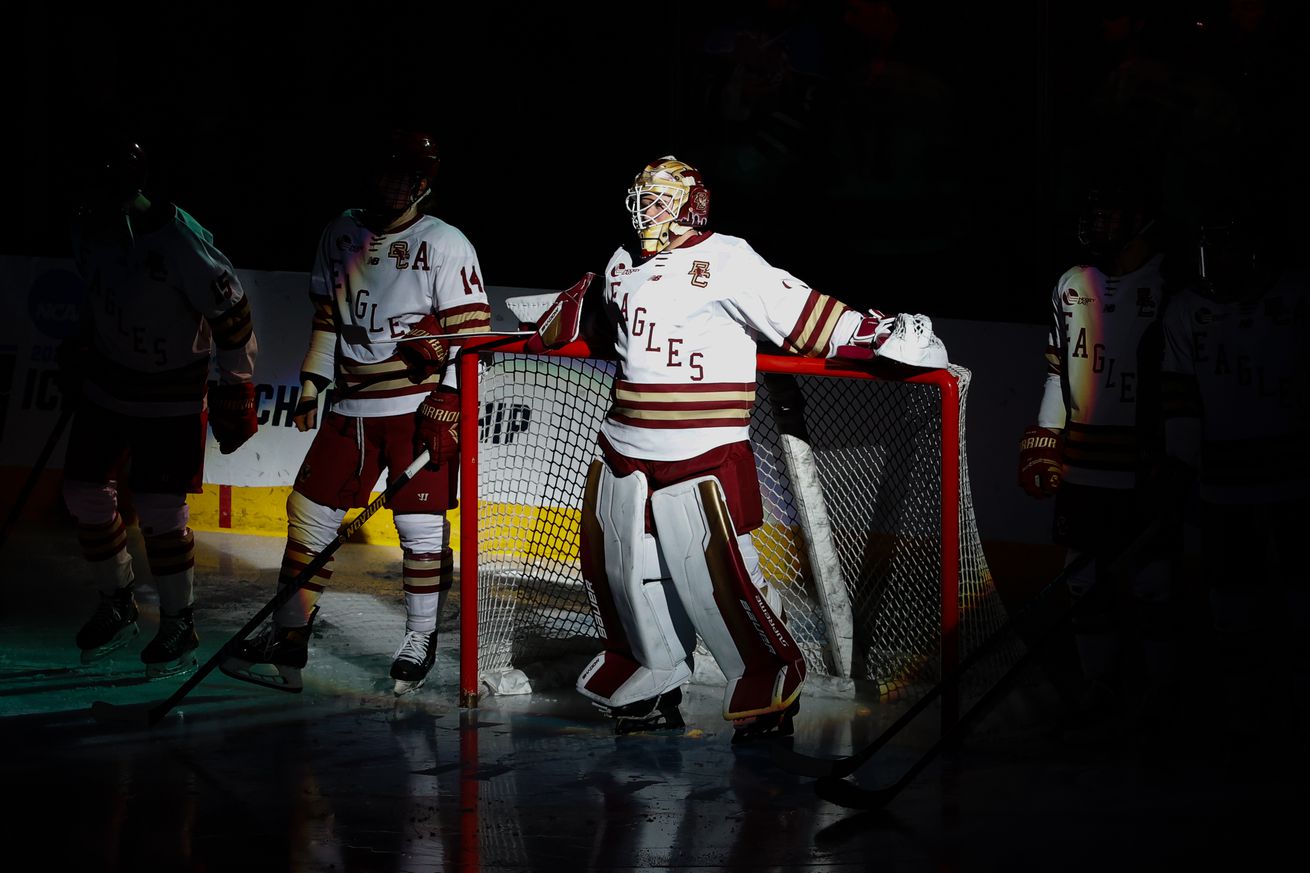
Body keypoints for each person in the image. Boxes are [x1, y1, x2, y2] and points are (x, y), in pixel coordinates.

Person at [524, 155, 947, 740]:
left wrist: (876, 332)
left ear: (692, 204)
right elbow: (607, 328)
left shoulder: (725, 257)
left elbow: (799, 313)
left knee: (717, 575)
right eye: (644, 196)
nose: (649, 208)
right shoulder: (620, 261)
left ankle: (767, 686)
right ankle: (652, 675)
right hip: (624, 442)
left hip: (702, 447)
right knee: (624, 567)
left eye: (663, 197)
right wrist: (568, 310)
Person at [220, 129, 490, 697]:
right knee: (308, 515)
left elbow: (472, 335)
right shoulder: (340, 231)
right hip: (351, 405)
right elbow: (328, 316)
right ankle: (289, 633)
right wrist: (313, 382)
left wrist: (448, 399)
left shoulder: (446, 243)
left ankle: (420, 638)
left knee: (420, 530)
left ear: (424, 182)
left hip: (416, 407)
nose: (392, 185)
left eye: (405, 175)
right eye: (386, 172)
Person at [61, 135, 259, 678]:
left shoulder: (175, 238)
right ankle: (117, 599)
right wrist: (83, 343)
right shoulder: (85, 224)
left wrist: (236, 384)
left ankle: (178, 620)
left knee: (158, 508)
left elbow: (232, 310)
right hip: (108, 382)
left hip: (170, 392)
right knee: (82, 489)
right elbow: (100, 292)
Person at [1017, 170, 1178, 732]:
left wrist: (1176, 456)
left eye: (1114, 212)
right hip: (1086, 465)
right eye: (1097, 212)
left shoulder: (1171, 291)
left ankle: (1161, 691)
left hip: (1140, 465)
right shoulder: (1071, 283)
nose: (1099, 224)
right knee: (1083, 580)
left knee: (1154, 581)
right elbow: (1060, 371)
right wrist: (1045, 434)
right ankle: (1101, 685)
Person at [1158, 197, 1308, 757]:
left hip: (1296, 483)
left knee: (1301, 601)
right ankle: (1245, 720)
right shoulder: (1184, 310)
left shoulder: (1296, 298)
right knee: (1231, 605)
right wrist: (1179, 472)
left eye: (1229, 245)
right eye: (1210, 246)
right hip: (1225, 485)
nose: (1216, 259)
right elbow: (1182, 402)